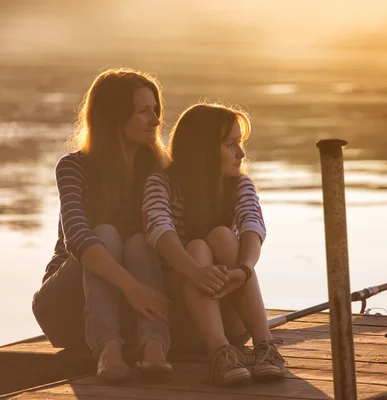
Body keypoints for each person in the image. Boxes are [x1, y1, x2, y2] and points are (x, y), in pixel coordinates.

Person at [32, 68, 173, 381]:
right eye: (143, 111)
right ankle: (108, 348)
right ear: (114, 117)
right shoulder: (73, 167)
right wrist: (132, 287)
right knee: (104, 234)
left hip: (132, 309)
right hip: (66, 307)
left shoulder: (160, 172)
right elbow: (78, 240)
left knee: (140, 241)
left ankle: (153, 344)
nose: (155, 120)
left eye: (155, 110)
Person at [142, 102, 286, 386]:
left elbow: (253, 226)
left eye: (240, 143)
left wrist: (243, 270)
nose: (241, 153)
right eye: (231, 144)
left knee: (222, 235)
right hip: (183, 320)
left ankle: (264, 345)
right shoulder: (161, 184)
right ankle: (219, 352)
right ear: (203, 149)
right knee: (196, 248)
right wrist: (194, 271)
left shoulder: (239, 185)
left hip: (232, 313)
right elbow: (157, 228)